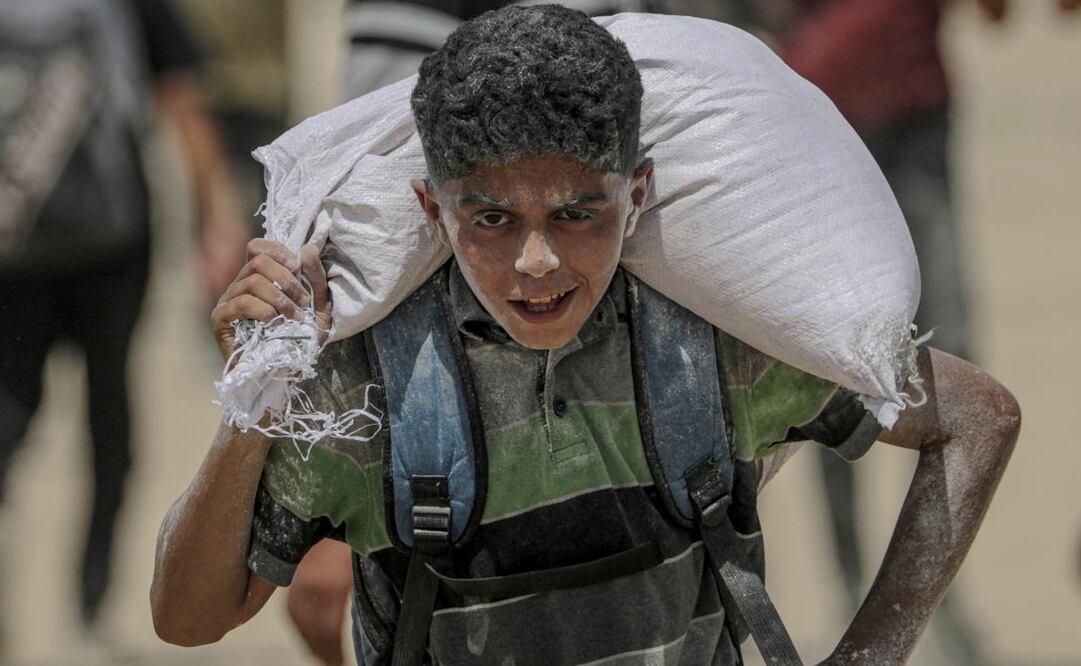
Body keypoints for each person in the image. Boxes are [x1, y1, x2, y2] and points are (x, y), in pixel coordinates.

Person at [151, 6, 1019, 664]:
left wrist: (865, 653)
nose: (536, 262)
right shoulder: (370, 383)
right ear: (430, 208)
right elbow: (188, 618)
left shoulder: (711, 343)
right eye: (489, 217)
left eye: (577, 213)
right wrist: (256, 405)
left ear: (636, 194)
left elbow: (977, 419)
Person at [0, 0, 249, 635]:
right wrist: (215, 211)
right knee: (109, 419)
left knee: (9, 412)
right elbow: (181, 95)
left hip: (15, 248)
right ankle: (91, 595)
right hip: (114, 249)